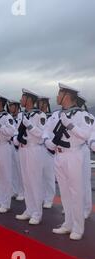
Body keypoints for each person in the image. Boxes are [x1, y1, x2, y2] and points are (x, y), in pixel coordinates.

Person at [45, 83, 91, 241]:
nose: (57, 97)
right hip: (59, 155)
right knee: (64, 192)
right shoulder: (56, 115)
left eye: (59, 94)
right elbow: (46, 130)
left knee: (76, 192)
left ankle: (78, 227)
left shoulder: (82, 115)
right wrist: (47, 141)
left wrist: (70, 125)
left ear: (67, 96)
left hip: (74, 155)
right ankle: (68, 223)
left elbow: (86, 135)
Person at [14, 89, 47, 225]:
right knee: (26, 181)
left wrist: (30, 125)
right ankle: (29, 209)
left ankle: (37, 213)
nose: (21, 100)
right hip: (23, 149)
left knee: (35, 182)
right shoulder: (21, 115)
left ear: (29, 100)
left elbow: (42, 134)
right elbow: (17, 131)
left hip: (34, 149)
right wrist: (16, 139)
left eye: (23, 98)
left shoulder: (40, 115)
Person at [37, 96, 57, 209]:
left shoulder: (51, 117)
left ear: (46, 104)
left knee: (49, 175)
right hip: (39, 148)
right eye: (39, 103)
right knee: (40, 175)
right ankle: (42, 197)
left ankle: (49, 198)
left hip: (48, 149)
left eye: (42, 103)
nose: (40, 105)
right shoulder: (37, 116)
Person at [8, 99, 25, 202]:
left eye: (12, 106)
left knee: (20, 170)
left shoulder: (21, 116)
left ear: (17, 107)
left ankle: (22, 192)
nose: (10, 107)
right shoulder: (9, 117)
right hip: (11, 144)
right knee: (13, 169)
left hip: (18, 145)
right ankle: (14, 190)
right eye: (9, 106)